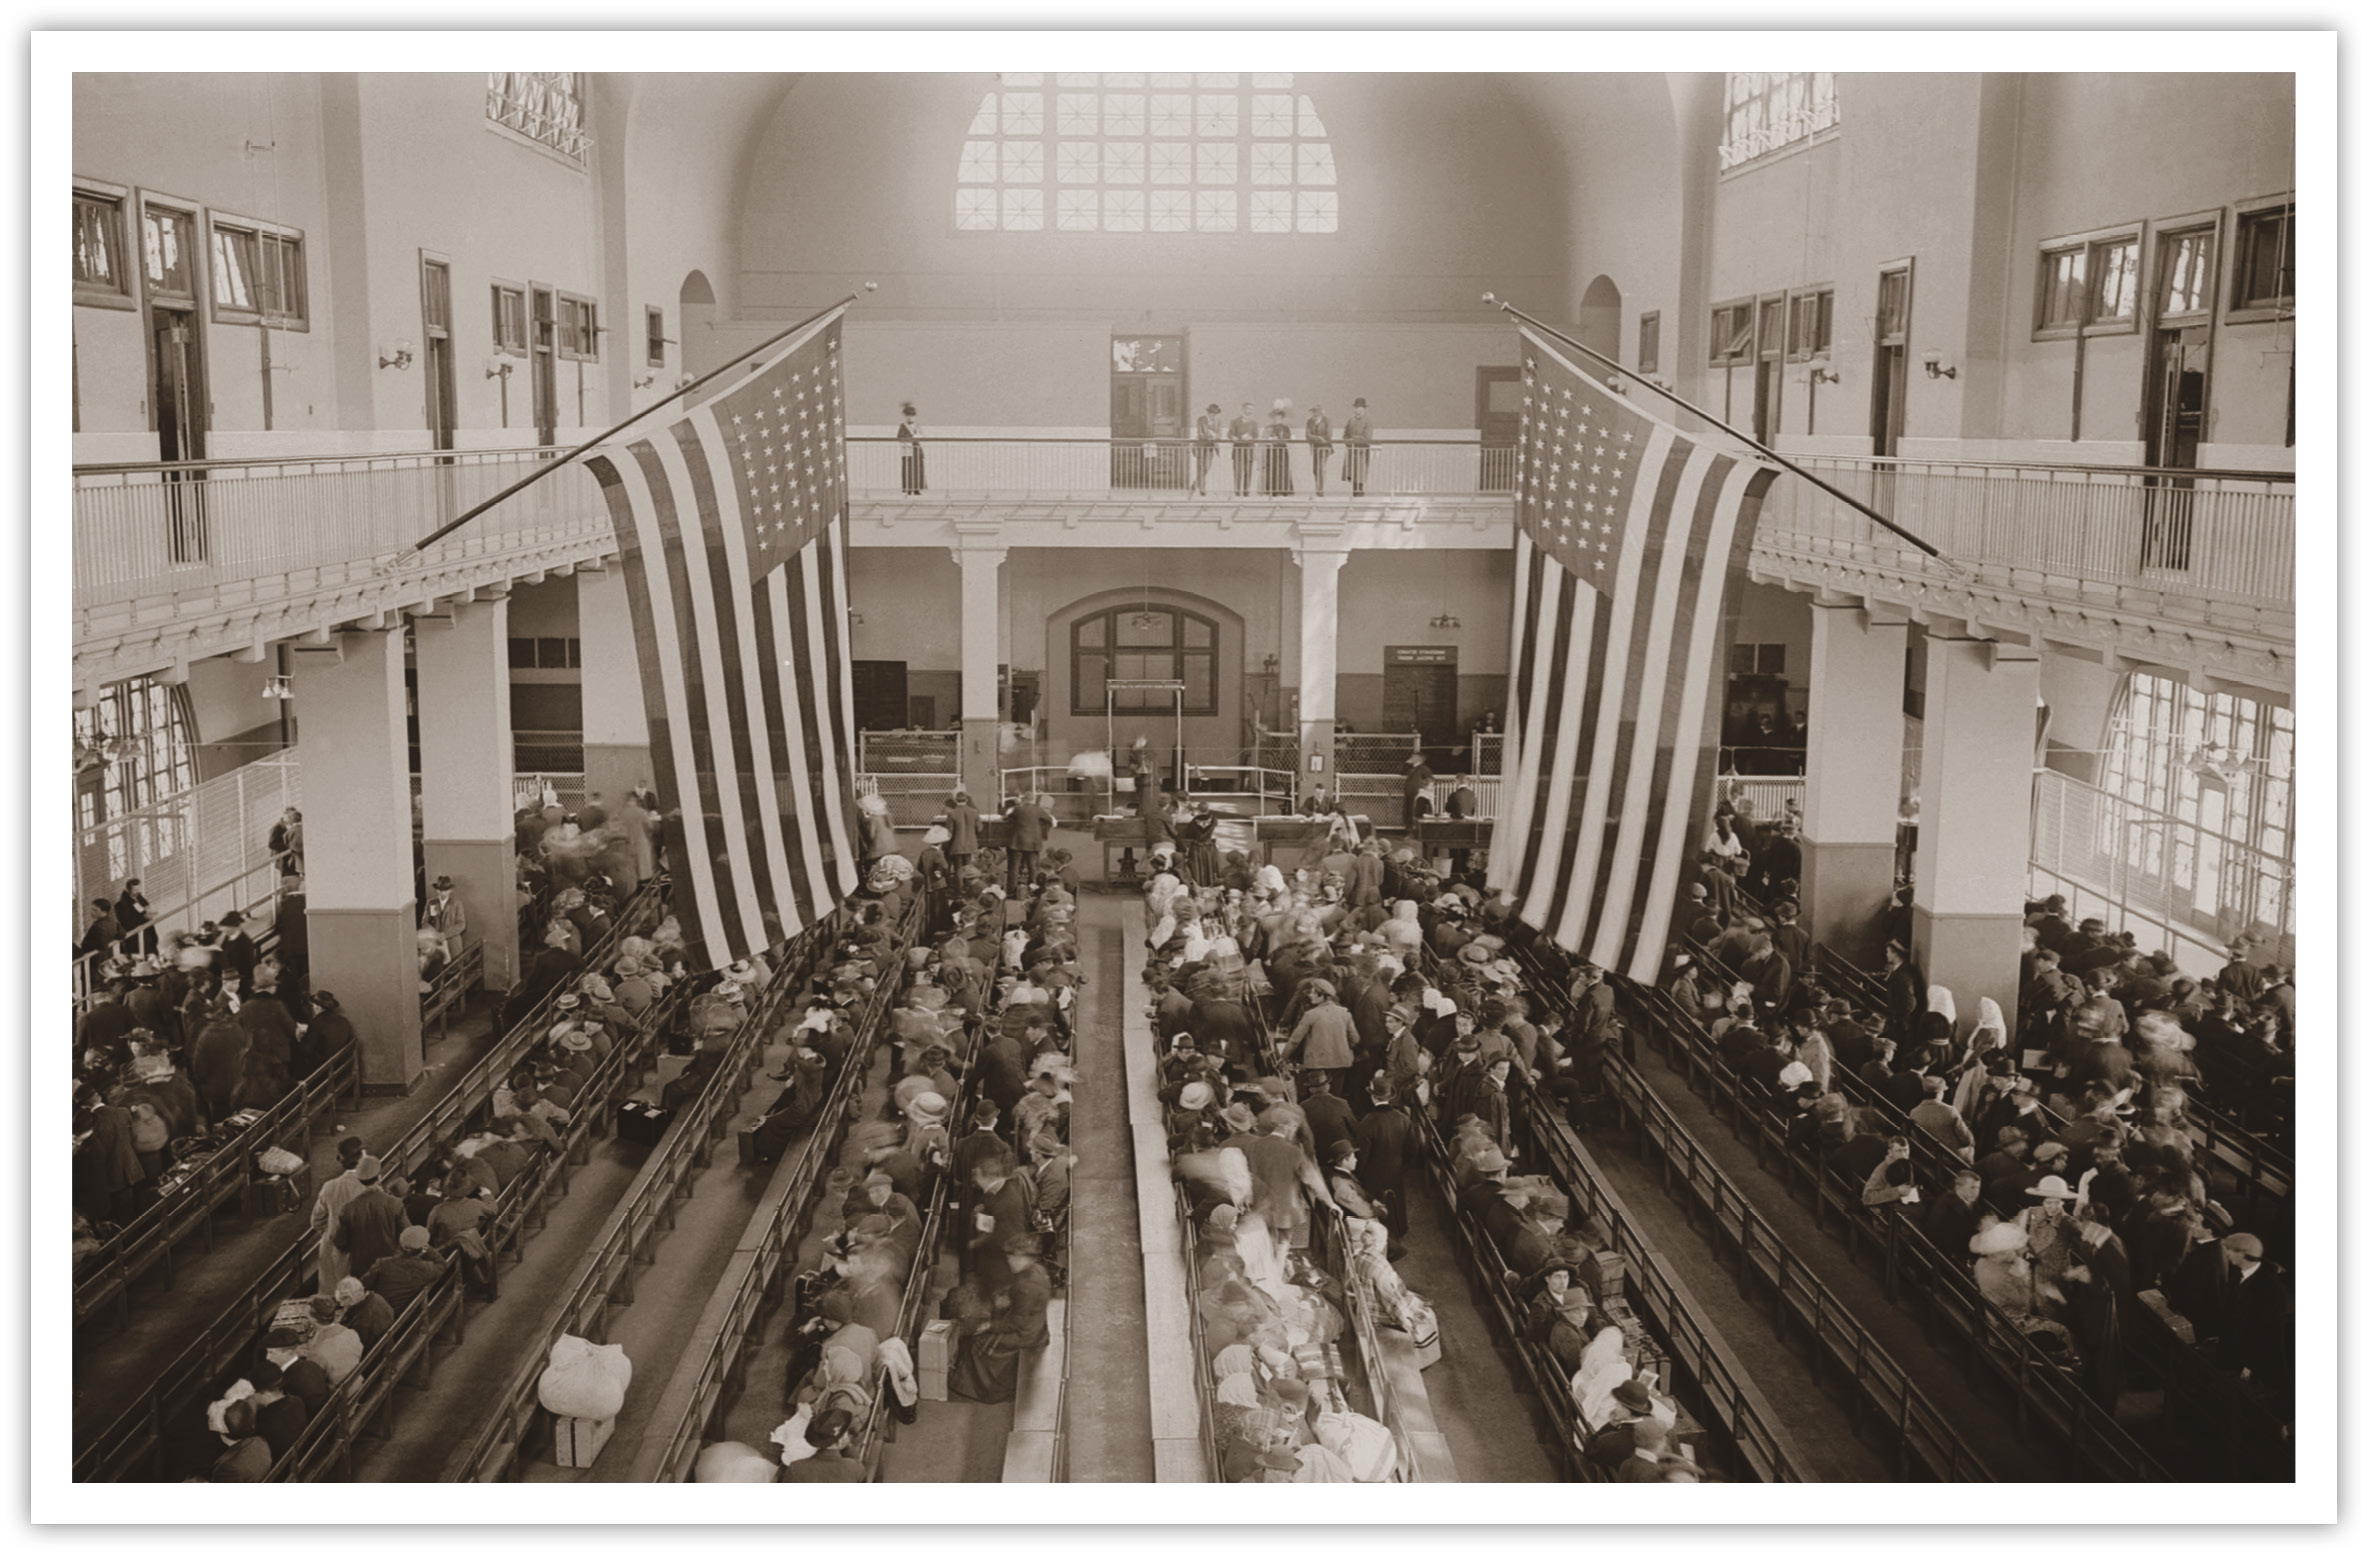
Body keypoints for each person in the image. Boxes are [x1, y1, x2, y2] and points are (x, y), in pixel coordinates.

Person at [948, 1237, 1053, 1404]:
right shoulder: (1037, 1270)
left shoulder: (1026, 1287)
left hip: (1026, 1335)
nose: (1009, 1260)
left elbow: (1017, 1323)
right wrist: (1006, 1295)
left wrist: (990, 1325)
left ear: (1024, 1258)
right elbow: (1022, 1301)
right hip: (1038, 1326)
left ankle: (987, 1391)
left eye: (1012, 1257)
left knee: (979, 1342)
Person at [1002, 791, 1053, 896]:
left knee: (1014, 867)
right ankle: (1033, 890)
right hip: (1033, 843)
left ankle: (1011, 891)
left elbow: (1006, 818)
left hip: (1017, 842)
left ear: (1024, 799)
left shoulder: (1018, 809)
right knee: (1033, 867)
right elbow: (1049, 820)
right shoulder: (1038, 810)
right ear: (1033, 800)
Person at [943, 788, 982, 879]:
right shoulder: (974, 812)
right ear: (966, 800)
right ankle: (968, 888)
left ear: (956, 800)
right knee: (968, 869)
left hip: (957, 845)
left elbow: (949, 830)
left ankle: (958, 892)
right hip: (970, 845)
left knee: (958, 870)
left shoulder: (952, 813)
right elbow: (979, 829)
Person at [1343, 397, 1373, 496]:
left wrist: (1354, 439)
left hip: (1362, 452)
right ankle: (1355, 494)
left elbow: (1367, 437)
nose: (1357, 409)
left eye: (1359, 407)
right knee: (1353, 476)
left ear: (1363, 408)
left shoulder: (1367, 420)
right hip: (1352, 452)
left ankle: (1360, 494)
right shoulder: (1351, 420)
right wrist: (1348, 442)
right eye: (1356, 407)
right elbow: (1345, 435)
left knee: (1360, 475)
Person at [1228, 402, 1259, 496]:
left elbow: (1256, 435)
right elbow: (1230, 434)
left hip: (1249, 450)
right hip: (1238, 450)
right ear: (1244, 409)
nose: (1251, 411)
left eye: (1252, 409)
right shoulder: (1235, 421)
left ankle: (1246, 492)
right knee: (1237, 472)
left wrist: (1250, 437)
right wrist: (1233, 437)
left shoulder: (1254, 423)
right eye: (1249, 409)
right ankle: (1237, 492)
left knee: (1248, 472)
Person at [1262, 405, 1294, 495]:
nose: (1277, 418)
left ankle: (1284, 490)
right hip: (1271, 450)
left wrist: (1284, 438)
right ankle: (1273, 490)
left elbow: (1288, 437)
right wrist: (1270, 439)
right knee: (1272, 469)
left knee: (1283, 469)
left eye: (1279, 416)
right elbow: (1264, 438)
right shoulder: (1268, 427)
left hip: (1282, 450)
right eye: (1275, 416)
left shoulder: (1285, 428)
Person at [1193, 402, 1223, 496]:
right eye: (1211, 413)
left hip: (1211, 447)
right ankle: (1202, 489)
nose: (1213, 415)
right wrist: (1208, 437)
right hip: (1201, 446)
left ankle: (1195, 483)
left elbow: (1220, 434)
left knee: (1207, 467)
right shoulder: (1201, 420)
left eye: (1215, 414)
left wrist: (1215, 436)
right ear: (1208, 412)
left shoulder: (1218, 422)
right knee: (1200, 467)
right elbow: (1200, 433)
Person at [1304, 403, 1333, 495]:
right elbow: (1308, 435)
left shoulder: (1327, 420)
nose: (1314, 413)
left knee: (1320, 467)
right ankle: (1318, 488)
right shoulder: (1309, 421)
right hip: (1316, 447)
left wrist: (1318, 438)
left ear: (1320, 412)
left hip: (1325, 447)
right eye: (1313, 411)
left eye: (1316, 411)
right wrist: (1318, 438)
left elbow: (1329, 435)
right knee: (1315, 469)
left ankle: (1320, 490)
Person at [896, 402, 925, 495]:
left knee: (917, 468)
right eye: (908, 415)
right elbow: (899, 437)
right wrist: (908, 438)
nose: (910, 417)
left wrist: (916, 436)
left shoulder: (917, 425)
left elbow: (922, 435)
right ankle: (908, 488)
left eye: (912, 415)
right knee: (908, 469)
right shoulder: (903, 426)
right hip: (908, 450)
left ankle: (917, 488)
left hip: (916, 448)